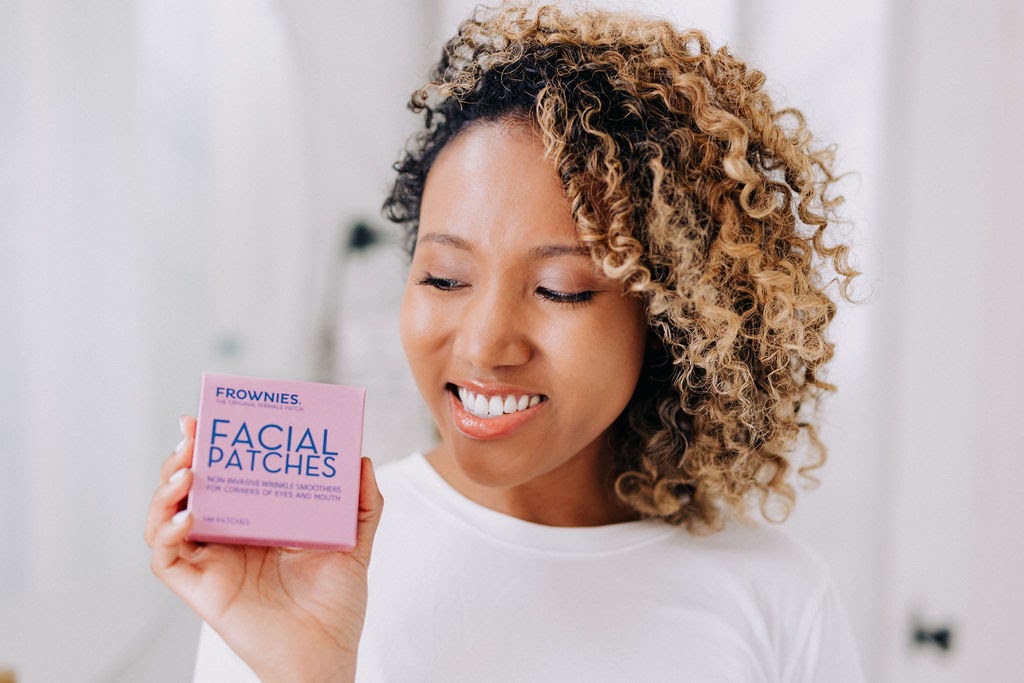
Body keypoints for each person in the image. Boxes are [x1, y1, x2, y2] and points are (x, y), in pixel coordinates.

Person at [145, 3, 864, 680]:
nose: (486, 344)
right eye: (445, 277)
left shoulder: (777, 599)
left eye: (559, 289)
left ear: (673, 317)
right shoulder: (295, 572)